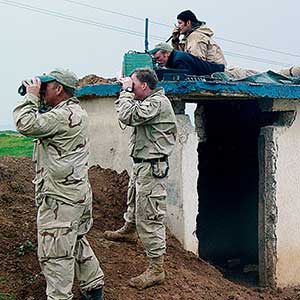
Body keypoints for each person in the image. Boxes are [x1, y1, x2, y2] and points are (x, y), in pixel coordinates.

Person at [13, 68, 104, 300]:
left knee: (55, 257)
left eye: (46, 87)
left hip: (60, 200)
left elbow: (25, 124)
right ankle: (94, 291)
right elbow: (42, 121)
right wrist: (39, 96)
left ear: (59, 88)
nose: (42, 91)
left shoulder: (61, 117)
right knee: (75, 243)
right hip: (75, 195)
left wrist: (31, 97)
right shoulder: (73, 112)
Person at [103, 68, 177, 290]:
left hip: (152, 167)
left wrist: (125, 91)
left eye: (134, 84)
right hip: (143, 164)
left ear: (144, 86)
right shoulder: (149, 102)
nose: (130, 87)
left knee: (151, 216)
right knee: (135, 200)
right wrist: (127, 90)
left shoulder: (158, 103)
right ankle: (129, 229)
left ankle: (156, 269)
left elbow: (128, 116)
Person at [149, 42, 225, 76]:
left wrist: (161, 72)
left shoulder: (179, 58)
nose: (158, 61)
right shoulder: (174, 58)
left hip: (221, 72)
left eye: (158, 58)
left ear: (167, 53)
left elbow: (186, 73)